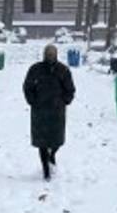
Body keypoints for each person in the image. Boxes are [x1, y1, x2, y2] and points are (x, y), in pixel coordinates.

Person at [22, 44, 76, 180]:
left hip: (57, 111)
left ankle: (52, 155)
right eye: (48, 54)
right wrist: (32, 101)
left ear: (56, 55)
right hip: (40, 111)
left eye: (52, 54)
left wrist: (65, 101)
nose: (50, 56)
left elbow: (70, 89)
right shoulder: (35, 69)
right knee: (42, 143)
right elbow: (27, 87)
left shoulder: (63, 70)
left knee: (56, 141)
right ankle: (46, 170)